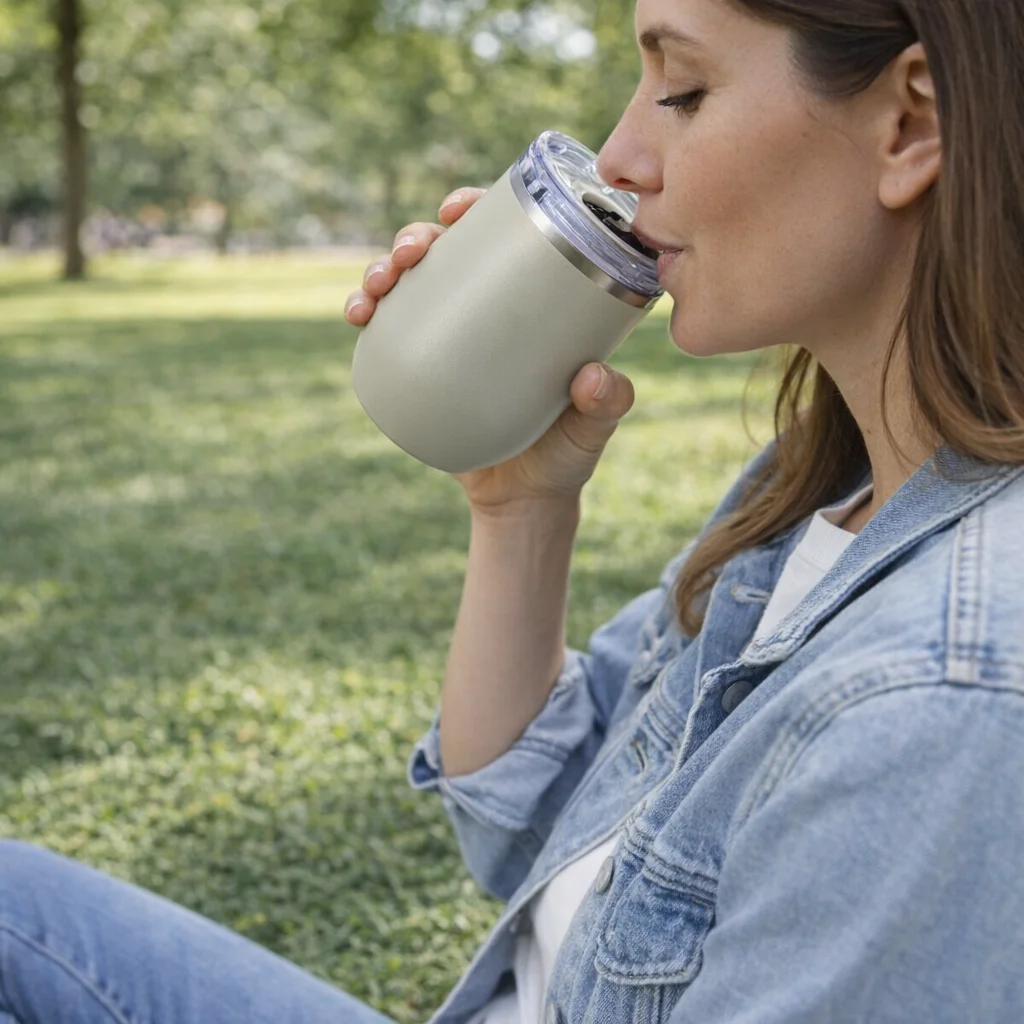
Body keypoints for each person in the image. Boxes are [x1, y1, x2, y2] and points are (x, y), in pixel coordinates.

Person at [5, 0, 1024, 1020]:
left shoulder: (940, 693)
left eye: (681, 89)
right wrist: (519, 508)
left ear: (910, 126)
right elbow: (531, 829)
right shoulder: (821, 487)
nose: (620, 155)